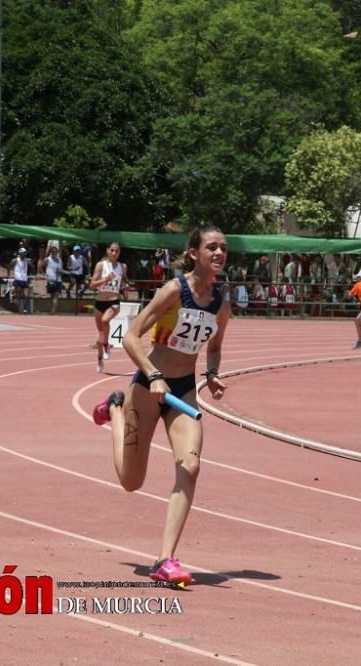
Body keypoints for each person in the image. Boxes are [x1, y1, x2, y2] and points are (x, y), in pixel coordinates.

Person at [91, 226, 230, 587]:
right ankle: (116, 409)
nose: (219, 253)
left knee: (191, 465)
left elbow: (214, 346)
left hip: (182, 392)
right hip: (148, 387)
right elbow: (132, 336)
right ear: (194, 253)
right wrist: (152, 374)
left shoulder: (221, 303)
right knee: (131, 482)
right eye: (211, 247)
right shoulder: (174, 291)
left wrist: (212, 374)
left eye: (223, 248)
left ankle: (165, 559)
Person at [88, 242, 128, 373]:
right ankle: (100, 358)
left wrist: (125, 288)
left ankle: (107, 344)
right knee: (100, 336)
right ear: (107, 251)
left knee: (106, 321)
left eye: (117, 251)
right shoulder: (101, 265)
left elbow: (123, 282)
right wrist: (106, 279)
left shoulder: (122, 267)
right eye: (112, 250)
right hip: (99, 302)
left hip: (114, 301)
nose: (114, 253)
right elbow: (92, 284)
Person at [40, 245, 64, 315]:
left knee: (56, 295)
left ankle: (53, 311)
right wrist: (44, 274)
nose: (54, 252)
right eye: (53, 251)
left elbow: (61, 270)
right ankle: (53, 310)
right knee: (52, 296)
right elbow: (41, 266)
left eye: (55, 251)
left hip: (58, 280)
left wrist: (61, 272)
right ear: (51, 252)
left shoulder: (60, 260)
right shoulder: (48, 259)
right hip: (50, 279)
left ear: (57, 252)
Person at [11, 248, 31, 314]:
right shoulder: (16, 260)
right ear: (20, 253)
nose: (25, 254)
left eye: (25, 253)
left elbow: (32, 266)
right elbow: (9, 265)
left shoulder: (27, 260)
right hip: (18, 279)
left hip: (24, 279)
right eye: (23, 253)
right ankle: (20, 310)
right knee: (18, 296)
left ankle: (25, 308)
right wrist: (10, 274)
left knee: (27, 295)